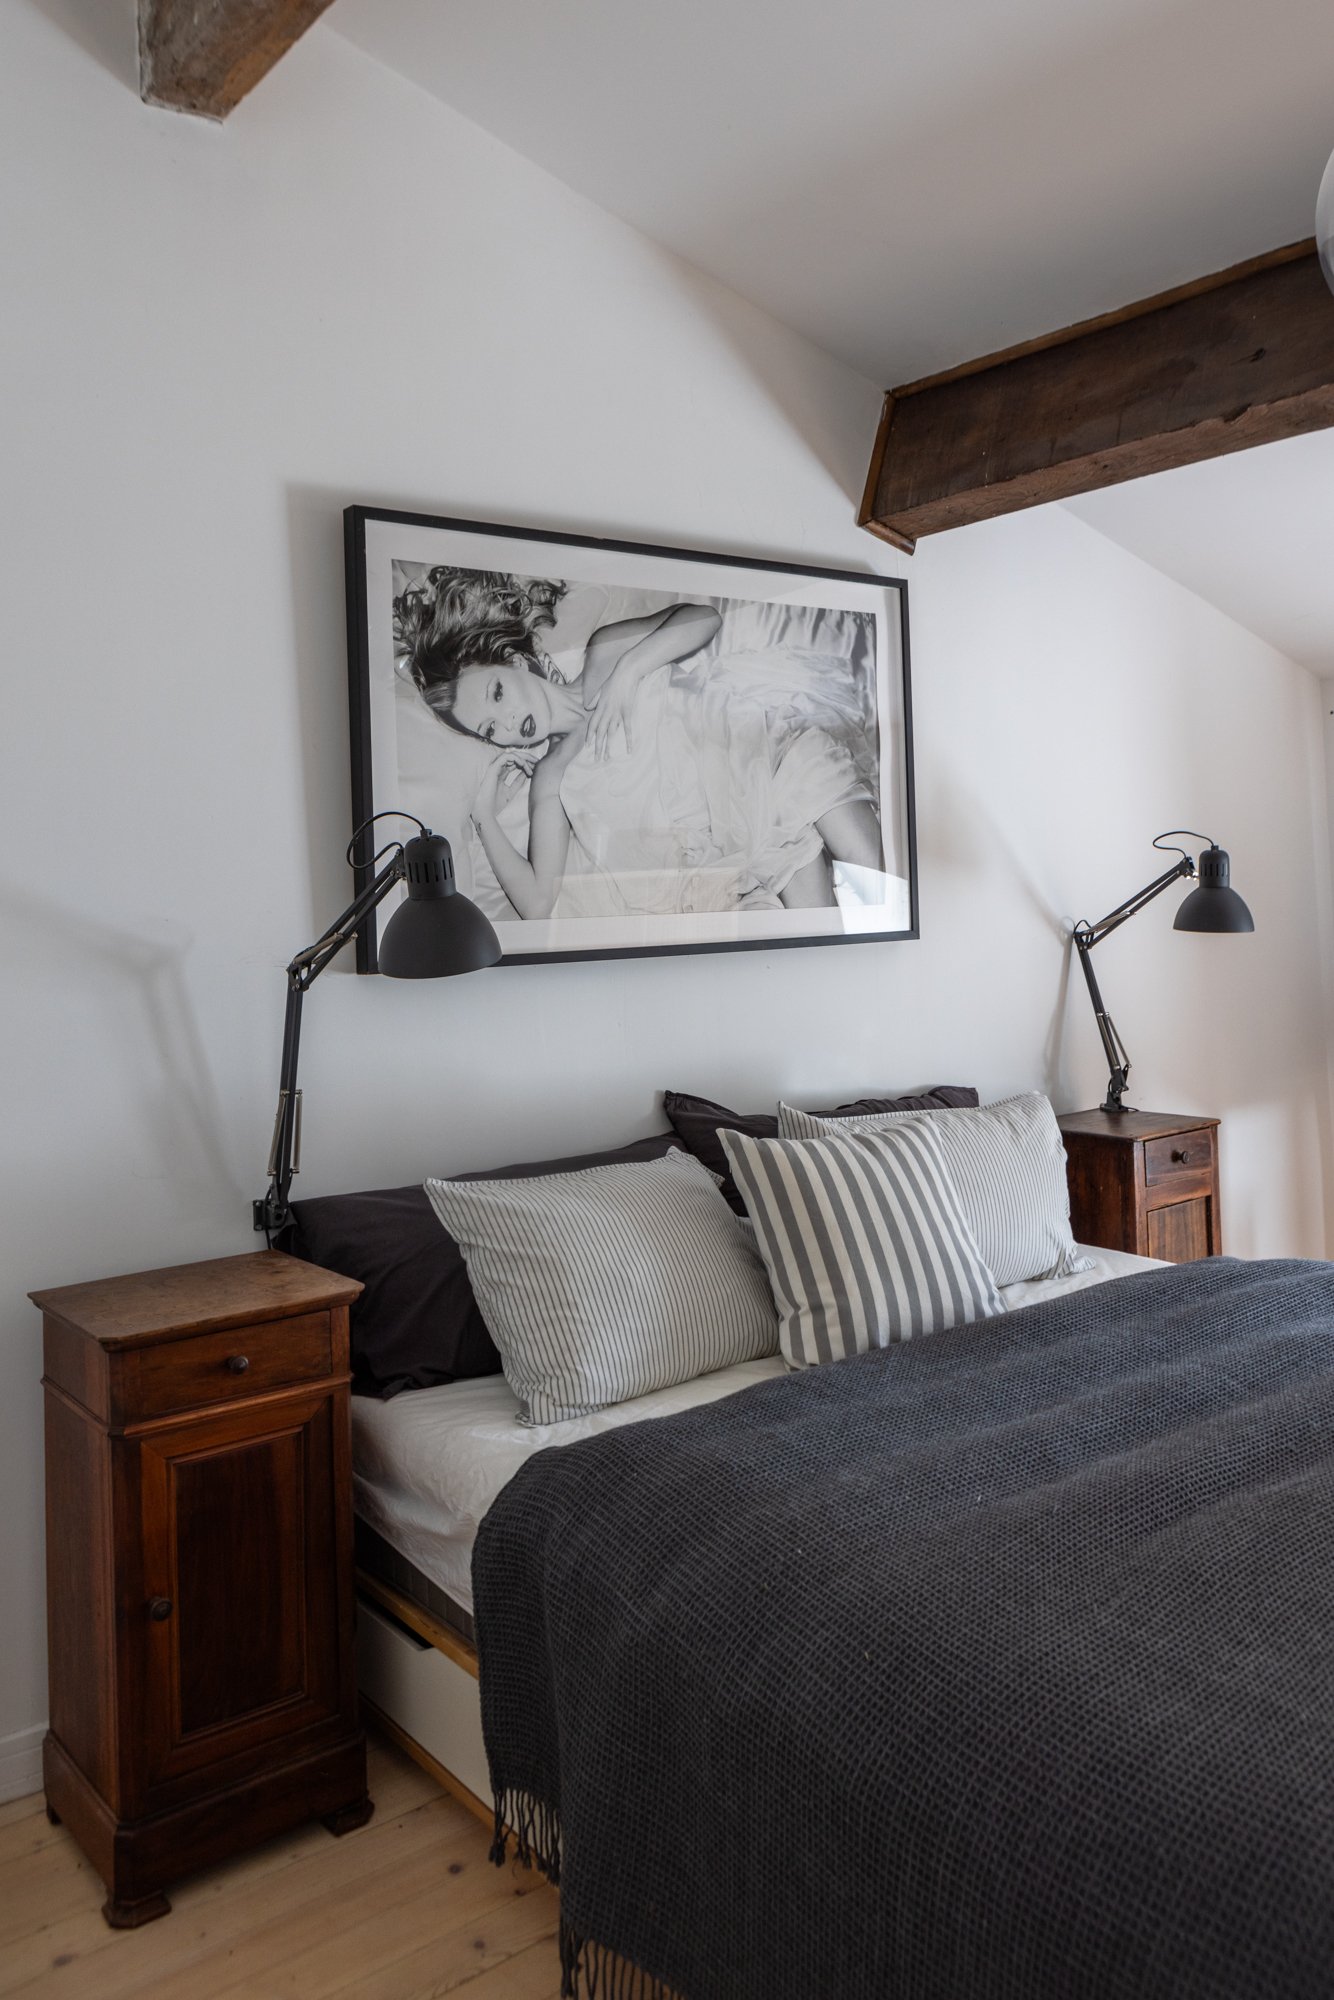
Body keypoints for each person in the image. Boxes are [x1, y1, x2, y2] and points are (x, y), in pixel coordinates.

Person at [405, 572, 885, 919]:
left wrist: (630, 670)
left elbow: (703, 619)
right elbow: (536, 903)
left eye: (497, 694)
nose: (509, 722)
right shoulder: (552, 775)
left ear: (513, 661)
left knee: (879, 904)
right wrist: (484, 817)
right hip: (743, 850)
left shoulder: (604, 653)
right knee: (833, 947)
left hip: (771, 765)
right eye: (491, 730)